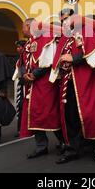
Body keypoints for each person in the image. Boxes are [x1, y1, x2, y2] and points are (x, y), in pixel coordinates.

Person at [50, 9, 95, 164]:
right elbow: (58, 57)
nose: (65, 21)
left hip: (87, 81)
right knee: (70, 116)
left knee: (91, 114)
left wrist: (74, 58)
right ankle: (73, 149)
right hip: (68, 82)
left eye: (67, 18)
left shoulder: (87, 30)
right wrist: (61, 64)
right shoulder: (65, 38)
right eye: (62, 19)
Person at [17, 18, 64, 158]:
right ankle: (41, 146)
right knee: (35, 114)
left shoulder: (46, 39)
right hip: (32, 85)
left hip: (44, 84)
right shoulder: (28, 44)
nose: (22, 30)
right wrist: (24, 75)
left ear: (28, 25)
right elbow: (22, 63)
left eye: (23, 27)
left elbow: (49, 62)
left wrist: (34, 74)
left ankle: (63, 141)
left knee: (50, 113)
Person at [12, 40, 26, 138]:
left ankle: (24, 128)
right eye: (17, 47)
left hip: (26, 85)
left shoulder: (26, 57)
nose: (18, 49)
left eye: (19, 47)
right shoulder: (19, 59)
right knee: (20, 107)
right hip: (20, 85)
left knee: (24, 106)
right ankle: (20, 129)